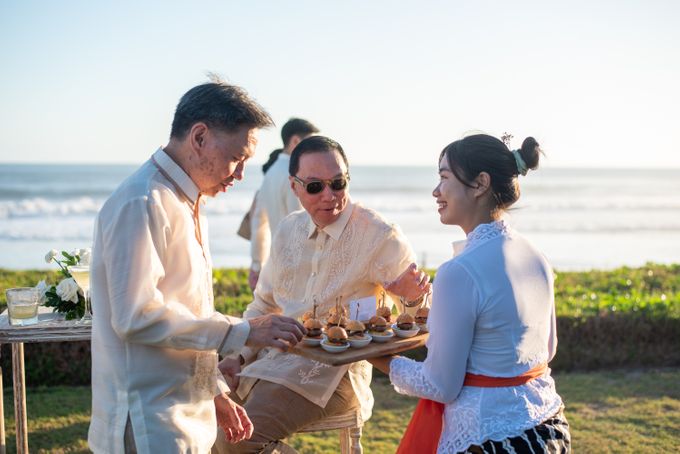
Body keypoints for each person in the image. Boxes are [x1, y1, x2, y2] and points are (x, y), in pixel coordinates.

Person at [88, 81, 306, 454]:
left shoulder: (189, 201)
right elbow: (136, 316)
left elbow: (189, 314)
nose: (239, 175)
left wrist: (216, 392)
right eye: (237, 158)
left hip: (186, 418)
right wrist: (244, 331)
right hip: (148, 424)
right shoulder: (142, 202)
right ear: (200, 137)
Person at [213, 135, 430, 453]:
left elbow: (422, 316)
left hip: (337, 374)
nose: (330, 196)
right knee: (203, 425)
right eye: (315, 187)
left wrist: (413, 298)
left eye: (338, 183)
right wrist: (237, 356)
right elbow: (264, 304)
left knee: (237, 442)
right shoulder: (288, 230)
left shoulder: (380, 235)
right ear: (294, 186)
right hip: (268, 361)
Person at [369, 133, 571, 453]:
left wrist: (372, 353)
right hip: (547, 428)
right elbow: (547, 349)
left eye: (444, 177)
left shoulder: (459, 272)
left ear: (480, 184)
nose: (436, 191)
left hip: (489, 440)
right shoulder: (536, 255)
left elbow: (439, 385)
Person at [248, 118, 320, 290]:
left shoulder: (270, 173)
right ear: (295, 141)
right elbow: (301, 221)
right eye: (310, 142)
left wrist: (257, 264)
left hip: (277, 261)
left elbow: (258, 221)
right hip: (301, 264)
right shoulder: (296, 174)